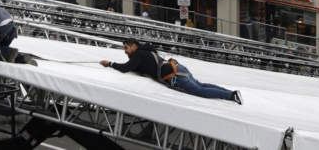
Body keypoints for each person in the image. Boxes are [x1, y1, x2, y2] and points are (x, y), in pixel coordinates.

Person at [100, 39, 242, 105]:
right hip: (177, 68)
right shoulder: (146, 51)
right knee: (202, 85)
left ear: (134, 46)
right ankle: (231, 93)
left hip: (174, 76)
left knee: (200, 91)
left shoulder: (139, 54)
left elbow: (125, 68)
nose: (125, 51)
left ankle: (230, 96)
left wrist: (110, 64)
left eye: (126, 48)